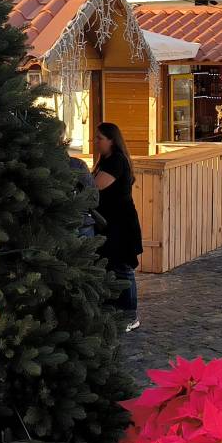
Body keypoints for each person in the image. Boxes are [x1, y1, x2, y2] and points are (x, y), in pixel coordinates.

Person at [92, 122, 142, 332]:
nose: (95, 142)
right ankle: (114, 312)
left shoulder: (116, 161)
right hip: (109, 224)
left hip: (121, 224)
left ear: (111, 140)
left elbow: (95, 187)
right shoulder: (105, 160)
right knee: (111, 267)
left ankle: (130, 315)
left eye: (99, 138)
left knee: (123, 268)